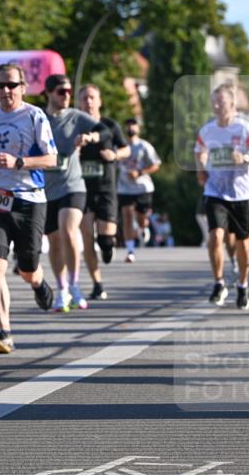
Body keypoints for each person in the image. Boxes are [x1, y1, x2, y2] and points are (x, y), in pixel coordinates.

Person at [0, 63, 56, 353]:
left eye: (12, 85)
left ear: (23, 87)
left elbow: (52, 159)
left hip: (30, 198)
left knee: (28, 267)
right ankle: (5, 332)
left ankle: (38, 282)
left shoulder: (34, 116)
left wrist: (19, 163)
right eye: (1, 85)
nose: (6, 91)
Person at [43, 73, 112, 312]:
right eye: (62, 92)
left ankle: (75, 285)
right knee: (54, 242)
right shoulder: (38, 119)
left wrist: (91, 136)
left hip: (73, 185)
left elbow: (106, 131)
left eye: (70, 92)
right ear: (49, 93)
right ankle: (62, 288)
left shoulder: (76, 117)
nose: (67, 96)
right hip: (46, 190)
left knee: (68, 229)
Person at [195, 82, 249, 310]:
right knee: (215, 237)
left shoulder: (244, 129)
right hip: (215, 191)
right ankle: (219, 283)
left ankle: (242, 286)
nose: (216, 106)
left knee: (243, 244)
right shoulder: (207, 130)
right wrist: (201, 169)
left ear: (232, 105)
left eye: (220, 102)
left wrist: (243, 159)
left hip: (241, 193)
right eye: (214, 102)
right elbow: (199, 152)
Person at [77, 84, 130, 300]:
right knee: (87, 236)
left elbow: (126, 149)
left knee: (105, 241)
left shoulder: (109, 125)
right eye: (84, 99)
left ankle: (108, 246)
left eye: (92, 98)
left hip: (107, 189)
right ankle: (97, 283)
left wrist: (115, 155)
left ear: (99, 101)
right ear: (79, 103)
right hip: (81, 189)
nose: (88, 102)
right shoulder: (76, 125)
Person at [117, 118, 161, 263]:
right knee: (127, 216)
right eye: (128, 126)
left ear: (138, 128)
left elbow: (155, 164)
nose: (130, 128)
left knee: (141, 219)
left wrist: (139, 172)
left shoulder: (144, 146)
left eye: (133, 125)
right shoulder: (120, 147)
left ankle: (144, 226)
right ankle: (130, 251)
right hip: (124, 187)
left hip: (143, 187)